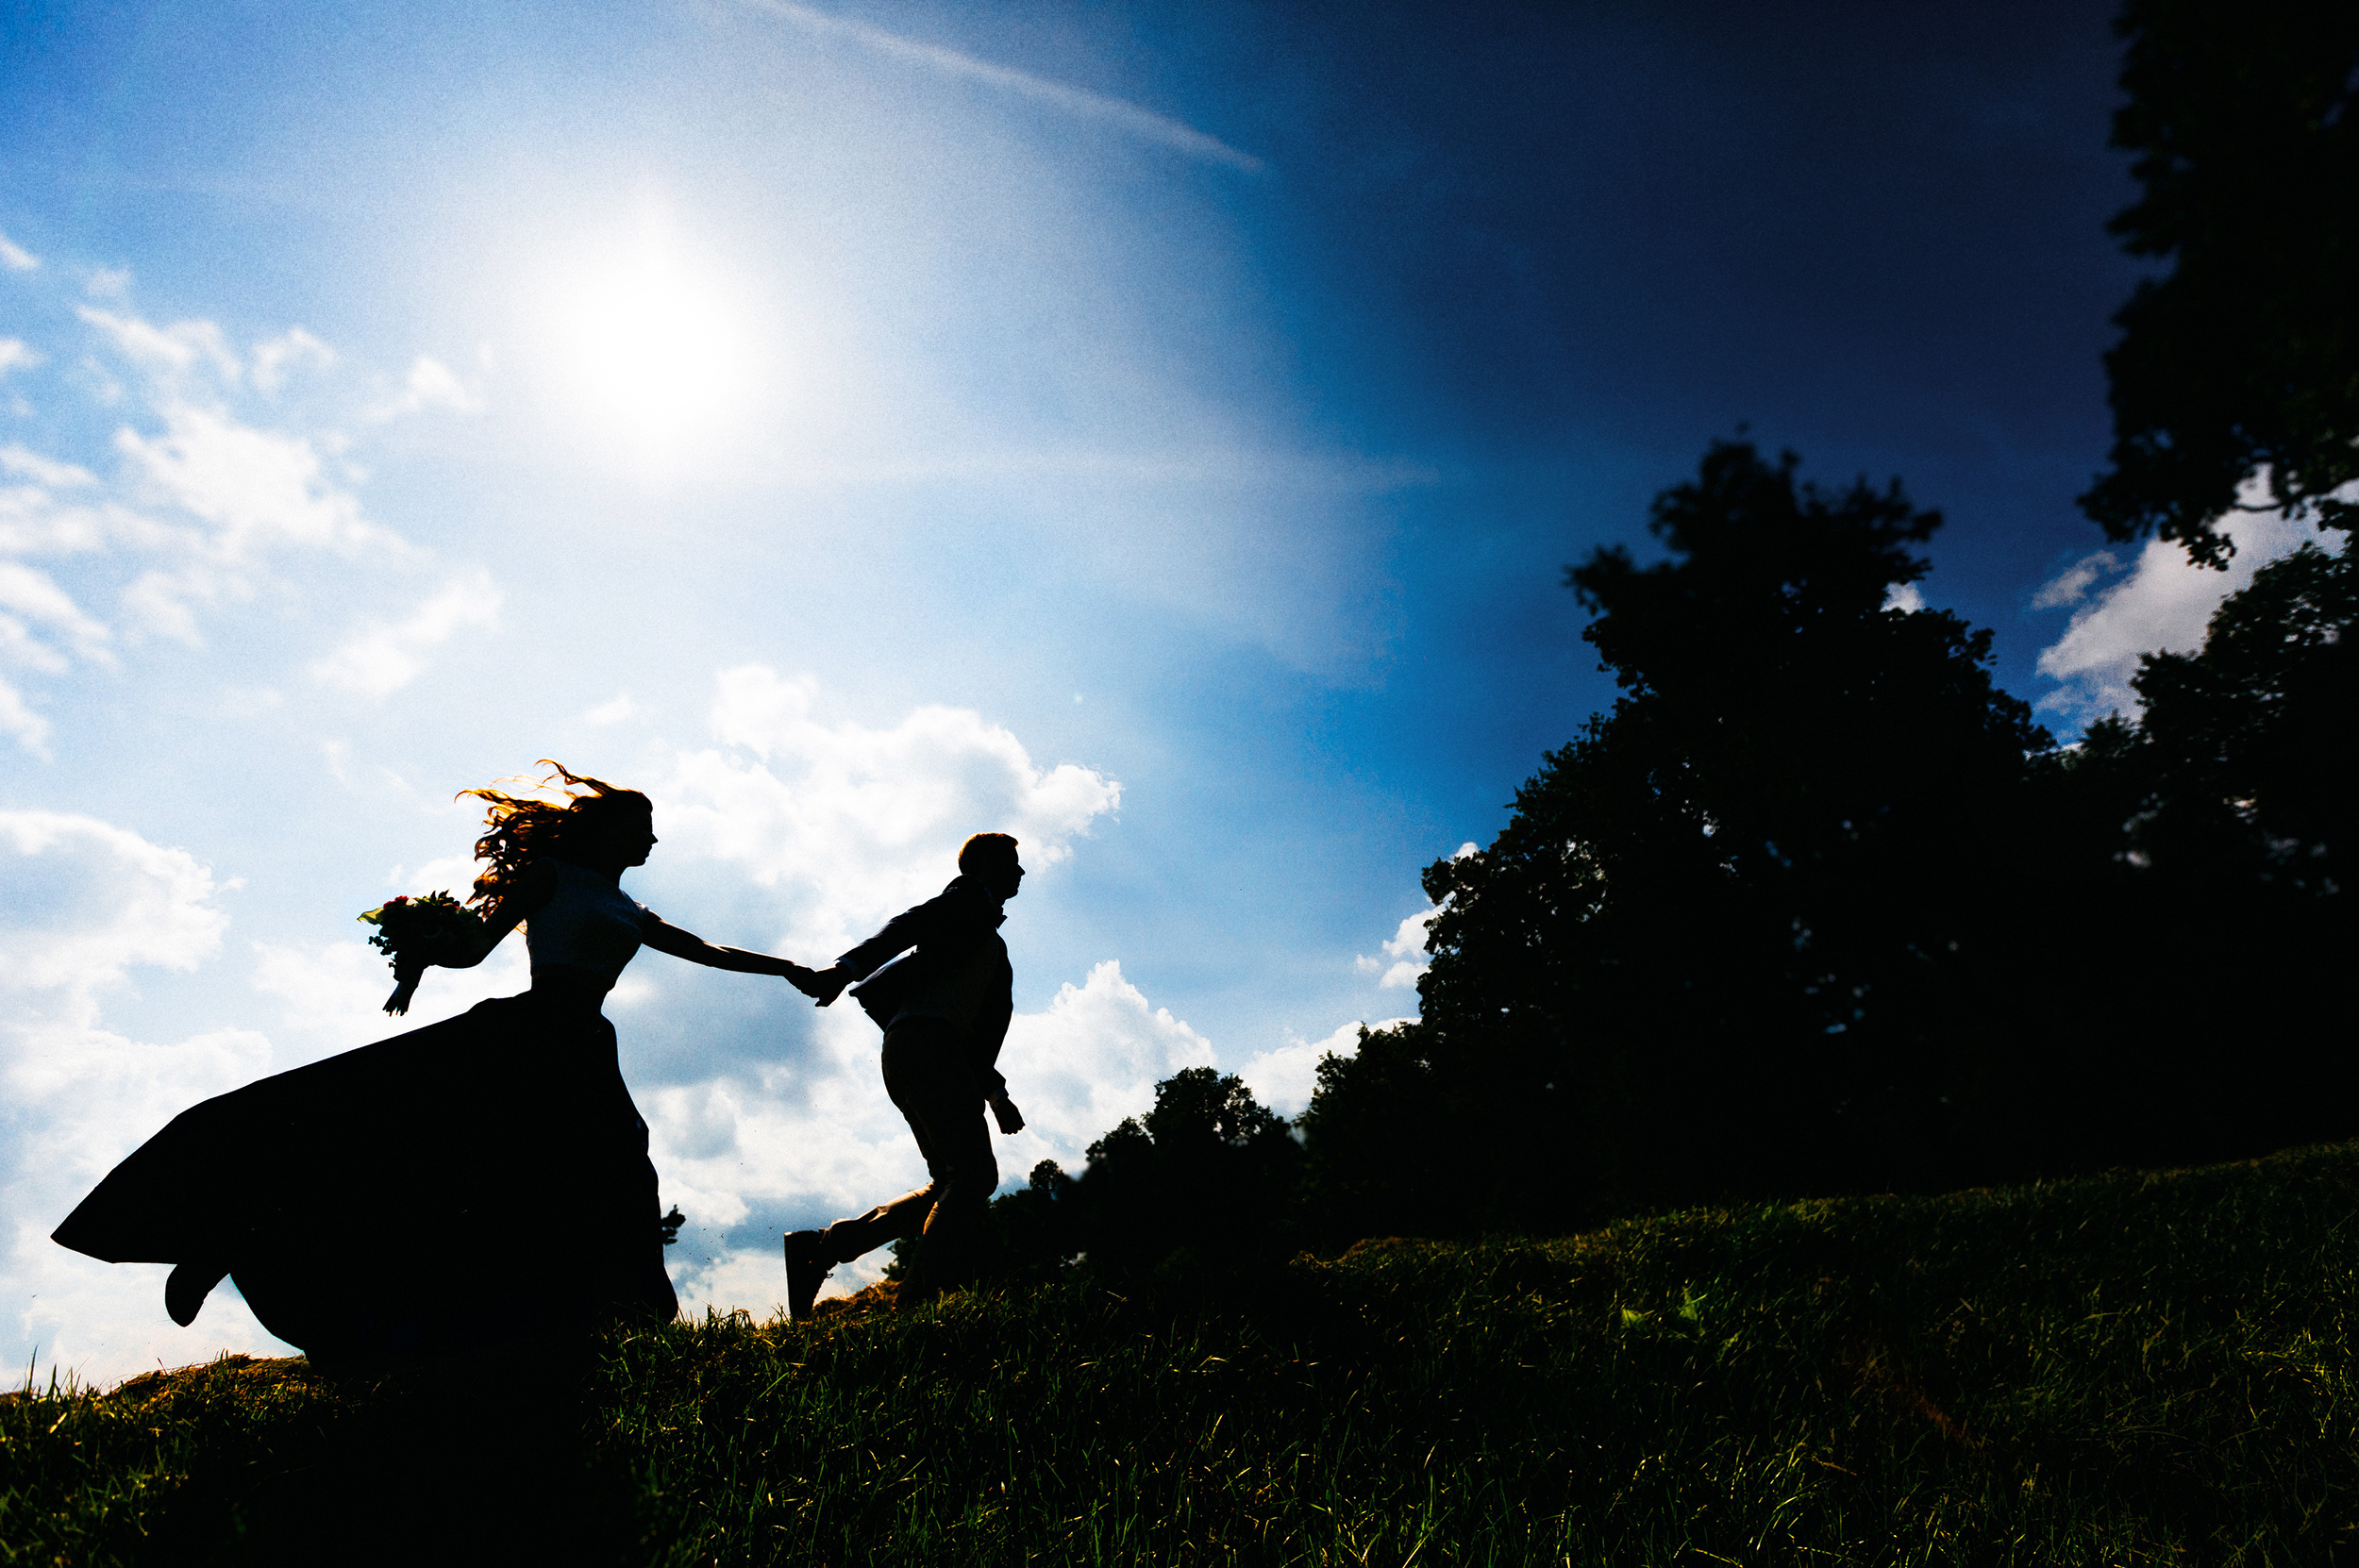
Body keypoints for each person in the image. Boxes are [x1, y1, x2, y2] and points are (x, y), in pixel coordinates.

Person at [51, 763, 818, 1368]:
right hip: (528, 1038)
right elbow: (475, 946)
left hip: (582, 1046)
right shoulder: (552, 879)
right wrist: (417, 957)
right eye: (644, 829)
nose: (651, 843)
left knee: (609, 1175)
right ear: (611, 830)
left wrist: (787, 967)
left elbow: (703, 949)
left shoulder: (627, 907)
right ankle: (230, 1233)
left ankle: (615, 1327)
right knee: (401, 1143)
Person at [784, 832, 1028, 1315]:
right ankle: (916, 1303)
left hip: (915, 1049)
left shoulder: (989, 941)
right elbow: (906, 926)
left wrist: (996, 1097)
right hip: (929, 1047)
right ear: (980, 866)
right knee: (975, 1175)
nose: (1020, 873)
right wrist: (843, 969)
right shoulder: (964, 902)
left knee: (951, 1181)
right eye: (1011, 862)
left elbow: (979, 1040)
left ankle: (825, 1248)